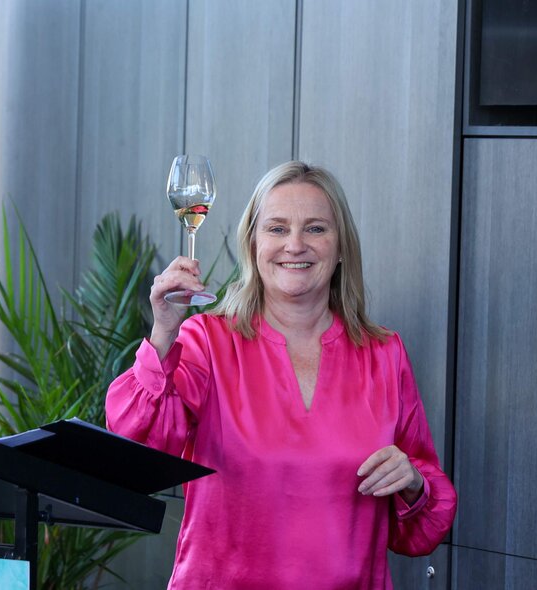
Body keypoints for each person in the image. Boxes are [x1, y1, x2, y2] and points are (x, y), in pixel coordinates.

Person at [106, 161, 457, 589]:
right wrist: (163, 332)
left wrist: (413, 482)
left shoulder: (384, 353)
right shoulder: (208, 341)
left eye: (315, 229)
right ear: (252, 243)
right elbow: (136, 446)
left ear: (341, 245)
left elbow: (424, 523)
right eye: (276, 229)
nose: (295, 244)